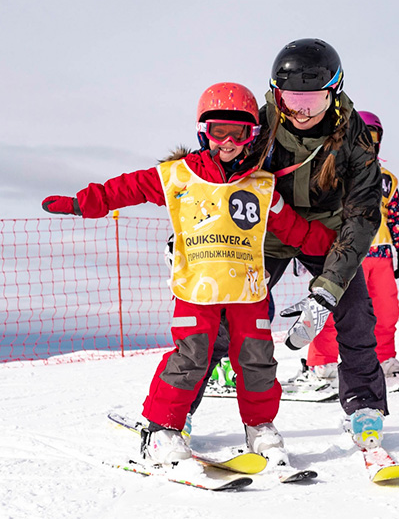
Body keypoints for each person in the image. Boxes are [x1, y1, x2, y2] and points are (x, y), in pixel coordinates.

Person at [41, 82, 337, 464]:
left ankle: (260, 427)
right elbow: (128, 188)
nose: (228, 142)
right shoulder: (178, 176)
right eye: (219, 131)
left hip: (248, 291)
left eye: (239, 132)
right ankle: (162, 430)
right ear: (203, 131)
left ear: (252, 135)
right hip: (197, 288)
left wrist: (342, 244)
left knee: (258, 359)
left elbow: (299, 232)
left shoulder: (262, 187)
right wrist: (83, 203)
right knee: (191, 356)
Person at [190, 39, 388, 450]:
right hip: (268, 228)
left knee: (354, 309)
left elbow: (363, 213)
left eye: (311, 101)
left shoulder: (355, 137)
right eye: (291, 99)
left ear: (334, 92)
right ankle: (179, 409)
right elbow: (212, 173)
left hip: (327, 232)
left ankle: (364, 406)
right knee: (224, 312)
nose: (300, 111)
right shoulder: (262, 123)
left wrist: (329, 287)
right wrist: (192, 231)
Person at [296, 110, 399, 385]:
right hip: (345, 256)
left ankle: (384, 357)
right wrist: (303, 251)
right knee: (332, 309)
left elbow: (395, 215)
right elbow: (316, 213)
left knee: (386, 311)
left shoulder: (386, 179)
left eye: (371, 138)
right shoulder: (333, 174)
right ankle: (322, 362)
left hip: (380, 256)